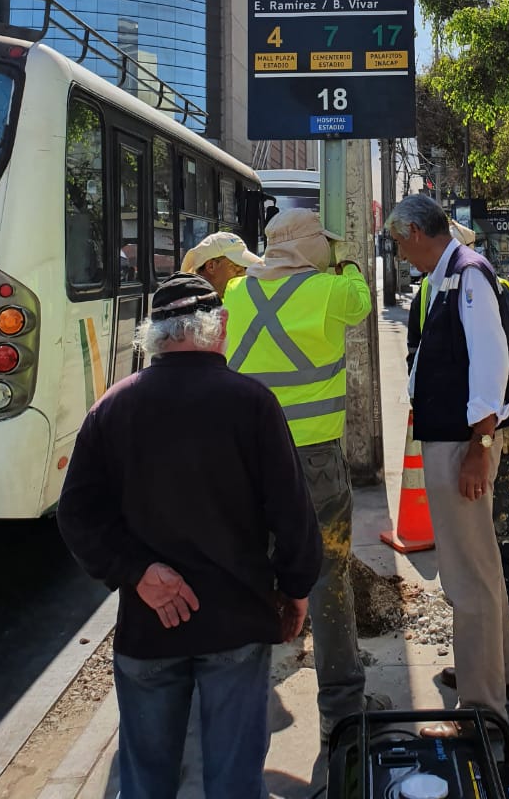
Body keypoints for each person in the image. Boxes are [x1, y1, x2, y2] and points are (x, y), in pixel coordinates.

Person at [56, 272, 322, 799]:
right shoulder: (252, 403)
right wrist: (296, 590)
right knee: (232, 781)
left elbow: (77, 515)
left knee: (147, 781)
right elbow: (292, 514)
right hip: (237, 624)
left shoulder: (113, 407)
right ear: (218, 326)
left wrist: (138, 574)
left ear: (153, 334)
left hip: (149, 627)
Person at [223, 208, 389, 744]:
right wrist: (346, 257)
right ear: (314, 249)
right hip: (314, 462)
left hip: (248, 463)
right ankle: (341, 713)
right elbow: (363, 298)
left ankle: (234, 711)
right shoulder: (330, 291)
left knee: (248, 576)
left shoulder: (234, 296)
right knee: (327, 578)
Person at [387, 194, 509, 735]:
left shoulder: (466, 276)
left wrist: (479, 447)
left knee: (467, 576)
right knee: (481, 568)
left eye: (399, 242)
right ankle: (495, 676)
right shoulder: (448, 276)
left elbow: (491, 363)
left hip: (461, 444)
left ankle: (481, 710)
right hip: (454, 439)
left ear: (418, 232)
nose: (400, 254)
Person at [407, 220, 509, 635]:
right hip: (465, 424)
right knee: (479, 536)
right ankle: (490, 629)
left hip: (495, 424)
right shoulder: (429, 288)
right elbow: (419, 351)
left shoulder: (479, 280)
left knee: (503, 517)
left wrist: (496, 427)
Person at [181, 229, 262, 299]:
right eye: (236, 266)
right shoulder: (187, 308)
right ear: (211, 266)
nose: (242, 273)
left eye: (244, 267)